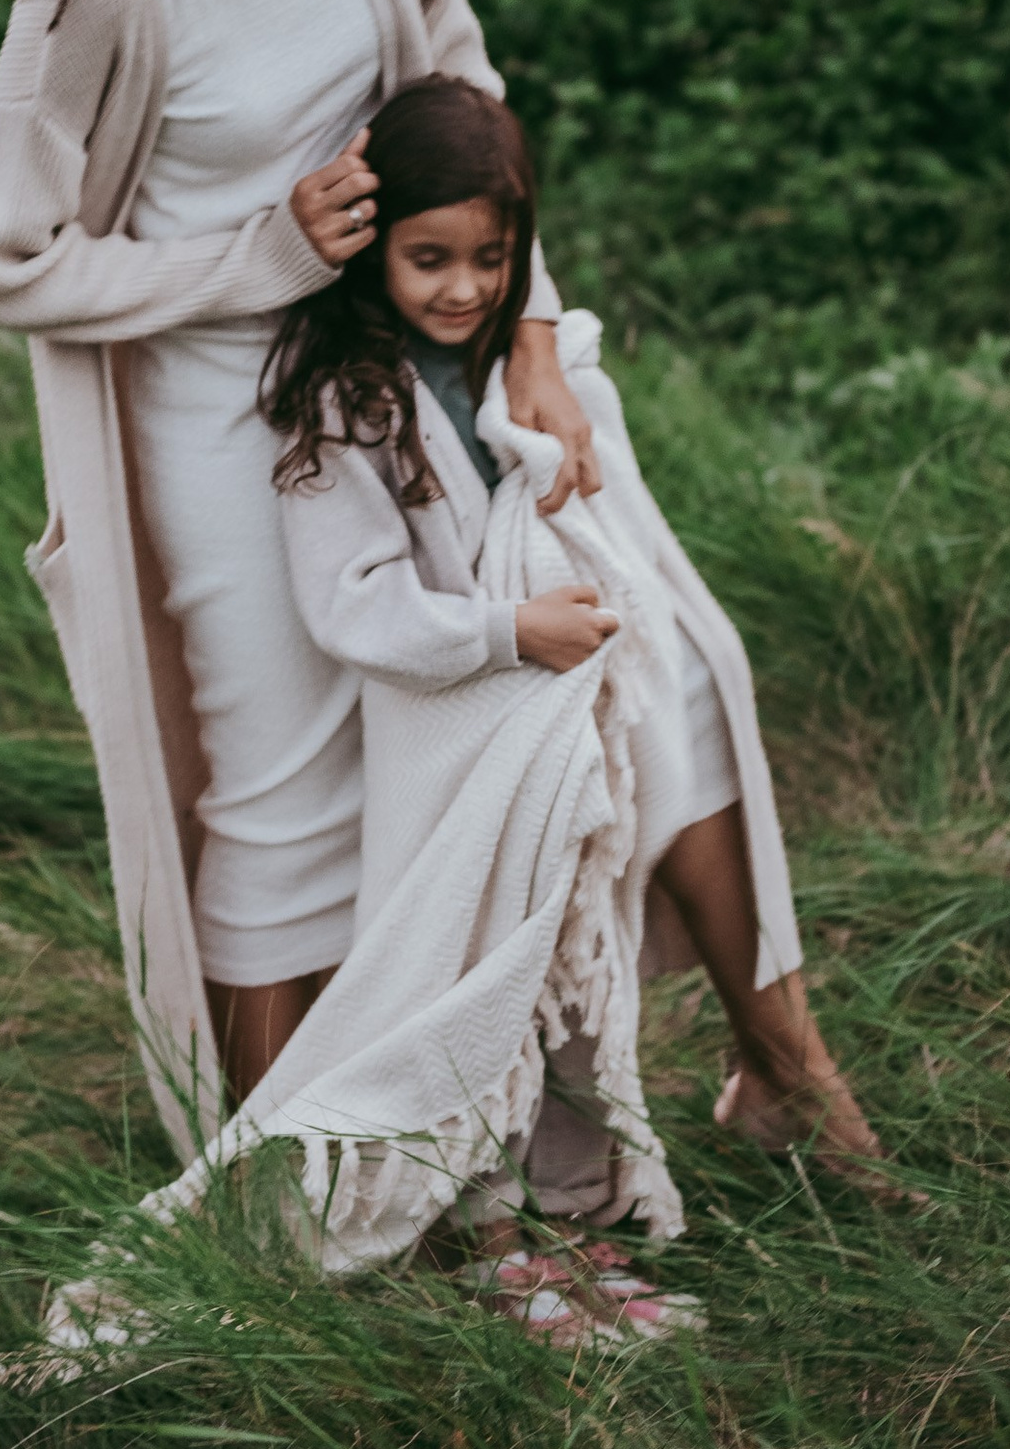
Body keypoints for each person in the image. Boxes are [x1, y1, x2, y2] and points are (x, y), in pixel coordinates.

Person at [0, 0, 599, 1164]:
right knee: (285, 800)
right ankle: (275, 1196)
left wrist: (531, 322)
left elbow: (448, 48)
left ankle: (448, 1152)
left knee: (476, 732)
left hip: (400, 361)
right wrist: (249, 261)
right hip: (217, 412)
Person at [252, 73, 889, 1271]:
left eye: (490, 259)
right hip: (464, 705)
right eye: (428, 258)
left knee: (675, 730)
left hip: (576, 676)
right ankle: (507, 1205)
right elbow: (353, 602)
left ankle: (690, 1128)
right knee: (516, 915)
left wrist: (569, 613)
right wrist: (508, 631)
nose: (462, 288)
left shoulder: (545, 372)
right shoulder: (344, 399)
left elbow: (609, 536)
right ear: (372, 249)